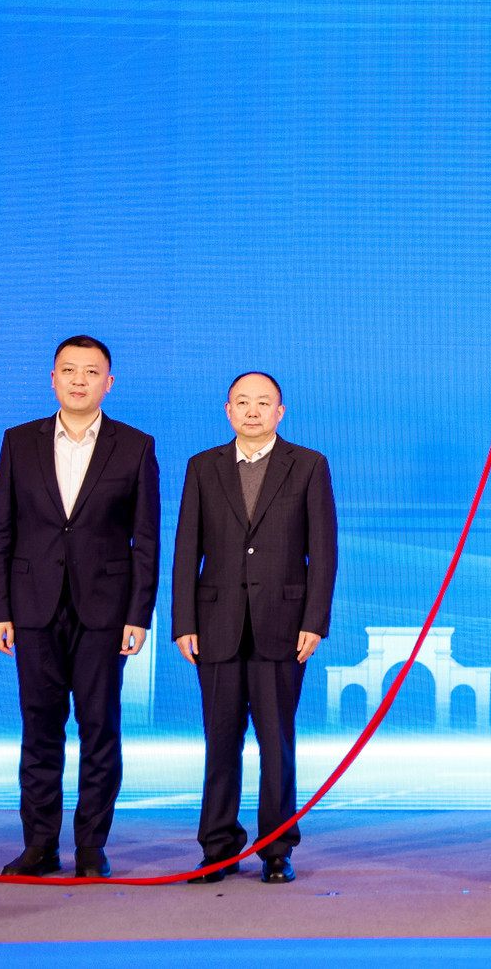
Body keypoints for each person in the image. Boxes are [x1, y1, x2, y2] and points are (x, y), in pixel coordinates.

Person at [0, 335, 159, 878]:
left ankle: (90, 848)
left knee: (99, 728)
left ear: (109, 382)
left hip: (104, 611)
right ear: (53, 378)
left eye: (91, 371)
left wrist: (138, 615)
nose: (79, 380)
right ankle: (39, 845)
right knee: (40, 729)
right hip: (32, 607)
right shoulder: (19, 442)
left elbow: (146, 540)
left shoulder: (135, 446)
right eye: (68, 370)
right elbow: (1, 529)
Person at [171, 372, 336, 884]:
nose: (252, 411)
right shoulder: (203, 466)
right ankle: (217, 848)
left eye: (263, 403)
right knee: (220, 743)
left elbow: (323, 550)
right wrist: (183, 622)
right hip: (215, 624)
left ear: (279, 412)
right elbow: (186, 548)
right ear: (228, 410)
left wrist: (314, 621)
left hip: (283, 626)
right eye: (242, 402)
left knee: (276, 743)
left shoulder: (308, 465)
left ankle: (276, 848)